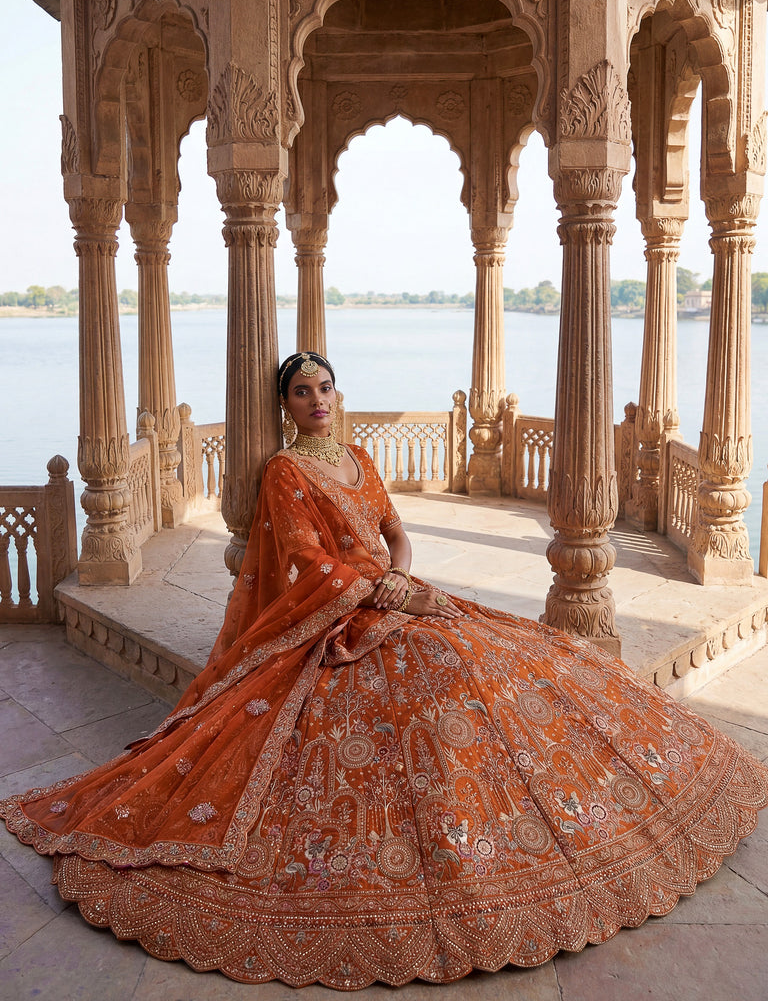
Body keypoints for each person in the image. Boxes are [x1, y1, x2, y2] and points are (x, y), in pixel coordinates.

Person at [2, 350, 767, 990]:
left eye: (325, 388)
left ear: (338, 395)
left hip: (392, 591)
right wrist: (378, 595)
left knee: (499, 652)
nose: (317, 400)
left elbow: (395, 533)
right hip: (340, 613)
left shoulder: (360, 458)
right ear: (285, 407)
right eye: (301, 392)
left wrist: (401, 580)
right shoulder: (284, 473)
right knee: (435, 671)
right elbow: (308, 563)